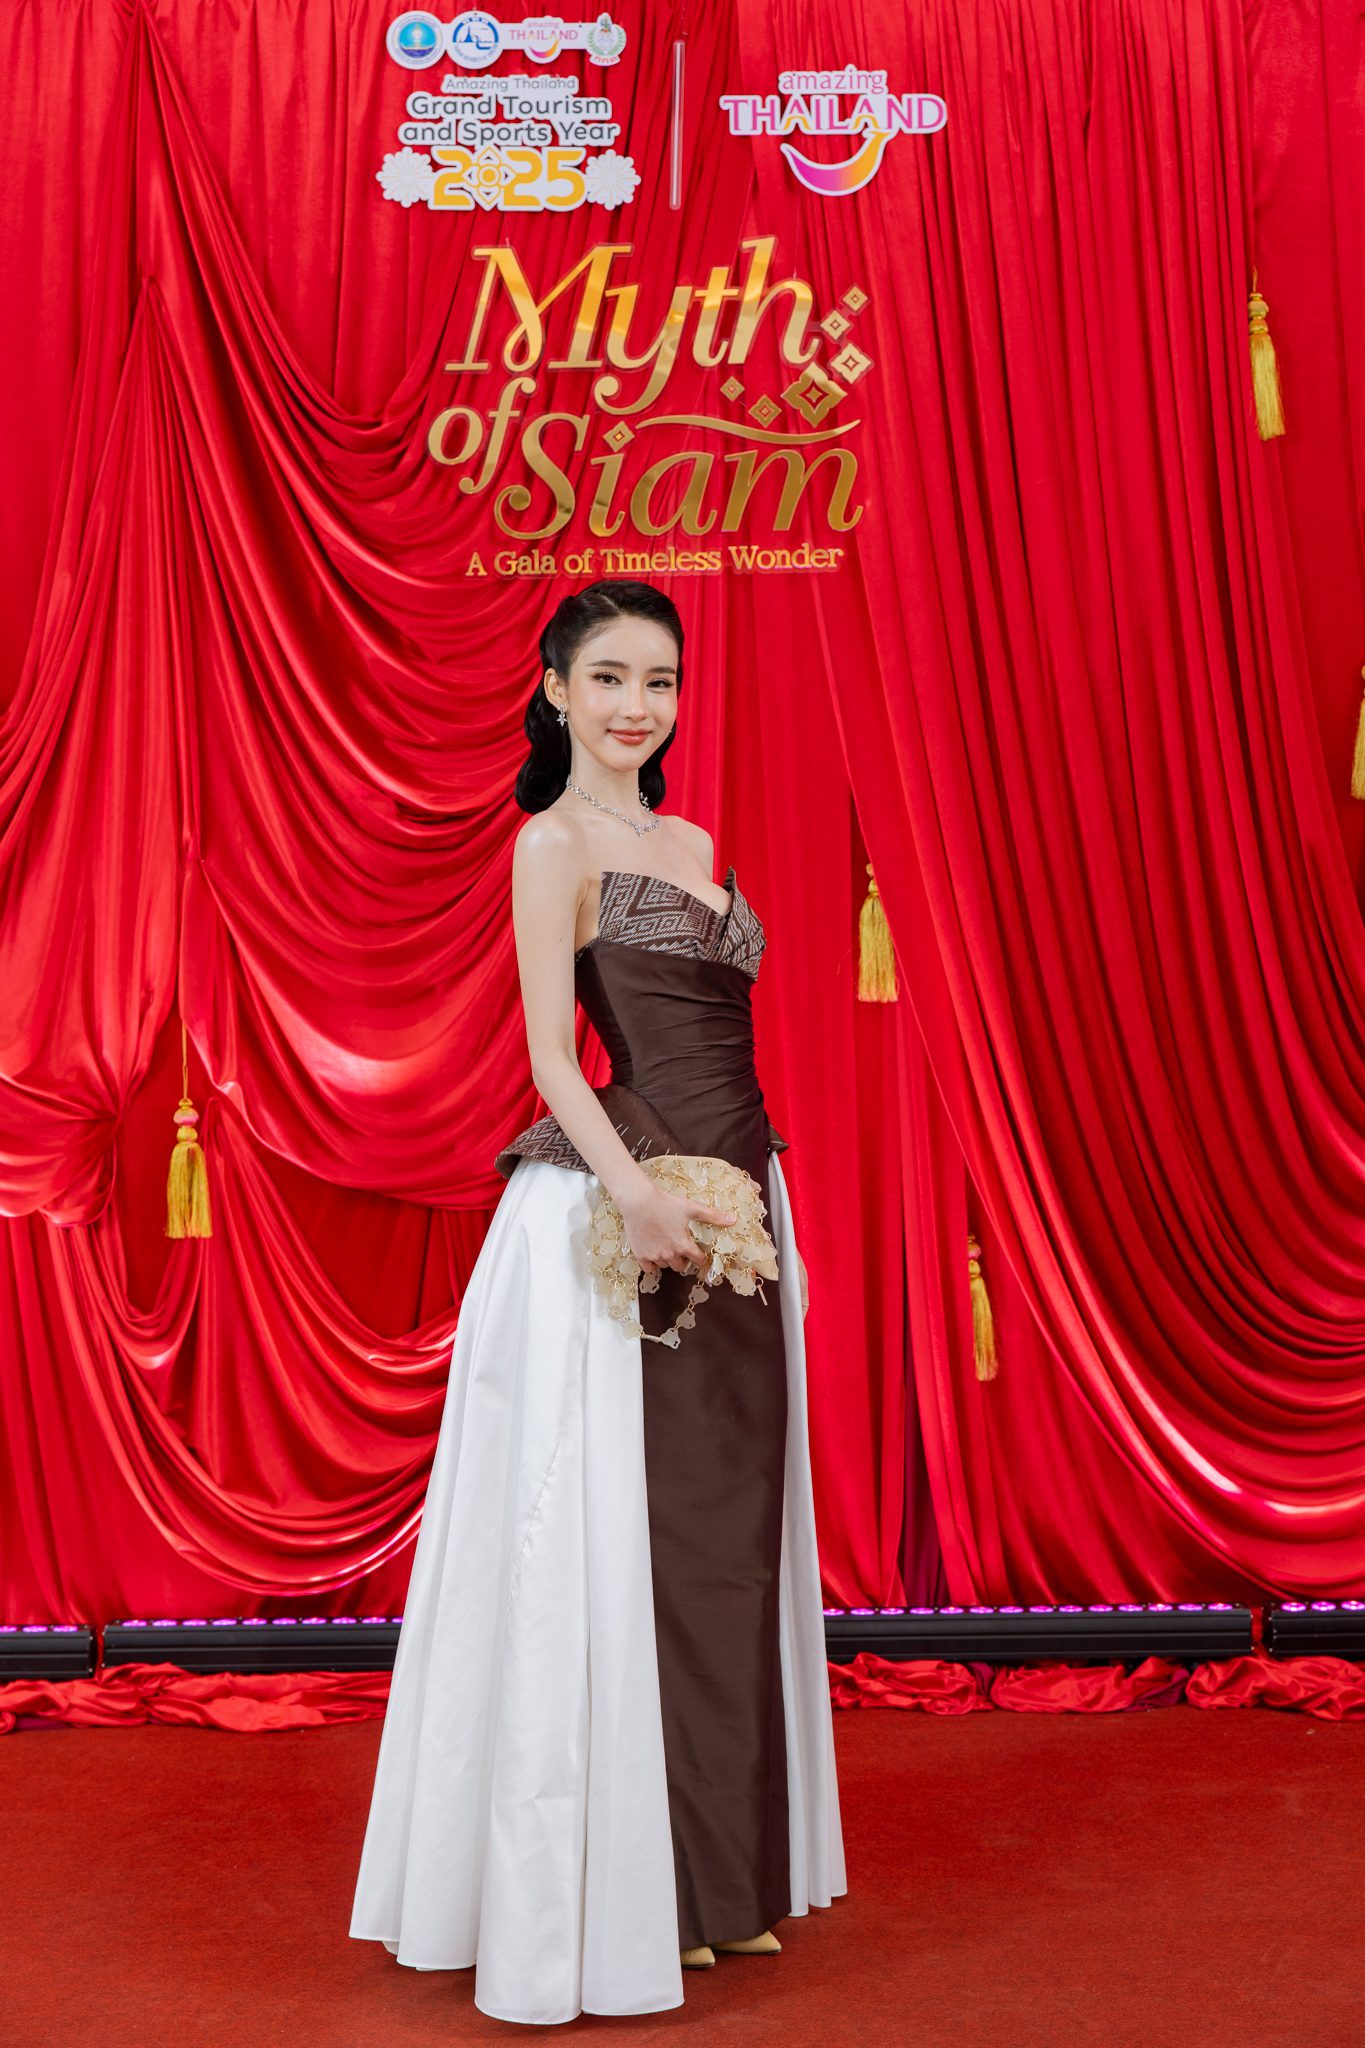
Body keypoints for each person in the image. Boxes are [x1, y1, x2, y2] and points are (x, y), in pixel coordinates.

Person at [349, 579, 845, 2025]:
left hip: (743, 1201)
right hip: (621, 1209)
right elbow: (554, 1058)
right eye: (612, 677)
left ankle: (716, 1879)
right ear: (556, 689)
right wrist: (637, 1196)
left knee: (726, 1539)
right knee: (622, 1540)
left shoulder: (691, 843)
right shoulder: (549, 843)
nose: (639, 706)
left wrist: (737, 1198)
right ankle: (632, 1888)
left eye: (661, 681)